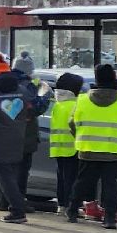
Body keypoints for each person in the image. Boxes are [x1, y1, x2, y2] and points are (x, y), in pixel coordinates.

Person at [0, 58, 42, 223]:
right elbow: (30, 112)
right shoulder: (22, 91)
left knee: (4, 176)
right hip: (18, 139)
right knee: (0, 173)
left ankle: (18, 211)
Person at [65, 64, 117, 229]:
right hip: (113, 151)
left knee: (82, 181)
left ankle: (72, 210)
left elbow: (71, 122)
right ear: (114, 78)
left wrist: (80, 137)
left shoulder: (82, 100)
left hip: (88, 148)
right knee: (109, 185)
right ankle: (109, 218)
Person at [47, 72, 84, 211]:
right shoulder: (75, 104)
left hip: (58, 147)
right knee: (71, 179)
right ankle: (70, 205)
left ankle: (62, 204)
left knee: (61, 178)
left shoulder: (58, 104)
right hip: (73, 147)